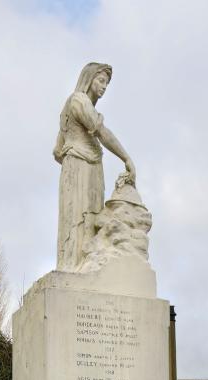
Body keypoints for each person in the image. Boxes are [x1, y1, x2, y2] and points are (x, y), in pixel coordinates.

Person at [53, 62, 136, 271]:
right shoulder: (78, 101)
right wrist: (126, 158)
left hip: (85, 167)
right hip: (80, 169)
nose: (104, 86)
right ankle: (75, 268)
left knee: (89, 222)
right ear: (89, 79)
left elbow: (57, 150)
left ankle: (82, 266)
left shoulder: (70, 106)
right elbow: (102, 132)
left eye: (107, 83)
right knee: (78, 220)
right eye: (101, 80)